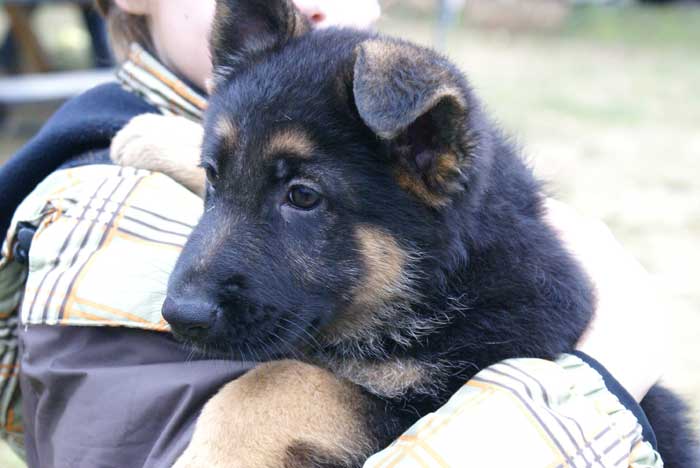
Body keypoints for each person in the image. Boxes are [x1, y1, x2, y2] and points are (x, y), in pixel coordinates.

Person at [0, 1, 666, 466]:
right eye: (216, 173)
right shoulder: (102, 211)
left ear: (423, 151)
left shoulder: (373, 135)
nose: (315, 4)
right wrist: (611, 364)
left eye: (300, 195)